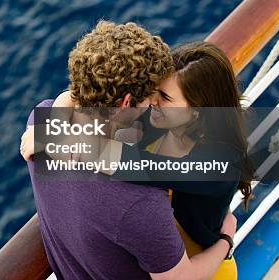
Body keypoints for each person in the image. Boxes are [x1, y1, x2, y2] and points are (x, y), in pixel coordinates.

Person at [22, 38, 253, 279]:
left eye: (164, 96)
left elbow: (132, 163)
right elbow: (82, 93)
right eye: (153, 90)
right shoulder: (159, 119)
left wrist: (225, 242)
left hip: (205, 266)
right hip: (162, 257)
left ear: (197, 110)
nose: (153, 101)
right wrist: (55, 122)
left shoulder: (220, 161)